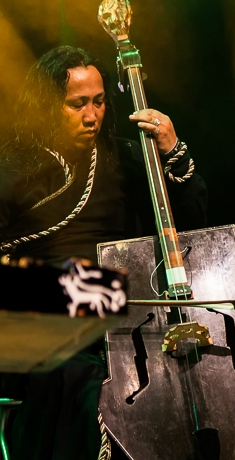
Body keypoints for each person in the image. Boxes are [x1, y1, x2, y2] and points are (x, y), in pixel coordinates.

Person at [0, 46, 207, 459]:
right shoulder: (11, 170)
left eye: (98, 102)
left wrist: (170, 148)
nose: (91, 116)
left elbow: (193, 223)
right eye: (77, 105)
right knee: (82, 381)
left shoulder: (130, 158)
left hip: (134, 321)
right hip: (50, 329)